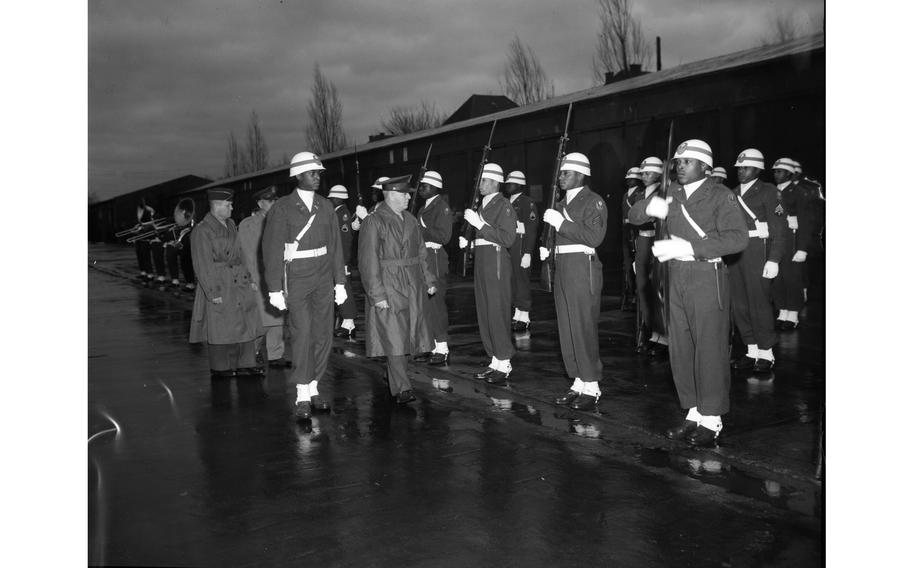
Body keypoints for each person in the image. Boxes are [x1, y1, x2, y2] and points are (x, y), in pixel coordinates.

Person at [629, 139, 748, 446]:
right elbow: (634, 217)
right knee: (681, 347)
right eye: (678, 162)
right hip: (675, 276)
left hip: (706, 275)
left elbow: (737, 239)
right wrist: (650, 206)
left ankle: (712, 418)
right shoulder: (671, 193)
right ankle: (694, 412)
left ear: (705, 167)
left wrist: (691, 248)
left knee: (708, 347)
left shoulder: (720, 195)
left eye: (687, 161)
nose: (680, 166)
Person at [261, 151, 347, 420]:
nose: (317, 177)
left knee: (323, 334)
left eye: (319, 172)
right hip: (297, 275)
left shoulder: (325, 206)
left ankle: (314, 387)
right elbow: (272, 248)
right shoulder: (282, 208)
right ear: (298, 175)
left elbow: (335, 246)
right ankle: (301, 392)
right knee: (303, 332)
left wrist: (340, 282)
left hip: (323, 274)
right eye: (312, 173)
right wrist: (274, 287)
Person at [358, 175, 438, 404]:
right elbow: (368, 261)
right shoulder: (374, 222)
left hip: (412, 283)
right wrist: (377, 294)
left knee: (408, 336)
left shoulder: (411, 220)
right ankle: (402, 388)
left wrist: (429, 279)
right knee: (394, 338)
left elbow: (421, 252)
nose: (409, 197)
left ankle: (396, 377)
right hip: (389, 284)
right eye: (405, 194)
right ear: (392, 194)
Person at [540, 152, 607, 412]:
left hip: (582, 266)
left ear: (581, 174)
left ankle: (592, 385)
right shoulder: (559, 202)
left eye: (565, 173)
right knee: (567, 326)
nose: (561, 177)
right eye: (561, 173)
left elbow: (594, 236)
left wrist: (562, 224)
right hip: (563, 266)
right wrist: (547, 248)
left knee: (583, 325)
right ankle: (578, 380)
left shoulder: (594, 202)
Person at [189, 188, 264, 379]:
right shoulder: (202, 231)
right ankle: (219, 367)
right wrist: (212, 291)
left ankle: (247, 364)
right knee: (219, 324)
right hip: (219, 281)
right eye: (229, 204)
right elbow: (202, 264)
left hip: (239, 280)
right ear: (217, 206)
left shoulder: (231, 225)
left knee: (247, 319)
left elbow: (241, 255)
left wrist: (250, 278)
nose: (232, 207)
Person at [727, 149, 786, 373]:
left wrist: (774, 259)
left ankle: (766, 353)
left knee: (759, 302)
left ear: (759, 169)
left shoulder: (770, 192)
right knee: (739, 303)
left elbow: (779, 228)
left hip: (758, 251)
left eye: (747, 167)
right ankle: (751, 349)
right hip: (736, 252)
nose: (742, 171)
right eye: (739, 168)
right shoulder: (731, 193)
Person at [459, 163, 517, 384]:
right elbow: (483, 235)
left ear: (495, 182)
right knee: (484, 311)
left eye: (484, 181)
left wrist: (478, 225)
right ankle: (494, 358)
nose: (480, 185)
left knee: (497, 310)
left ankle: (505, 361)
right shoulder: (482, 205)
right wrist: (470, 241)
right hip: (483, 261)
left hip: (496, 262)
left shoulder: (504, 206)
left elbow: (507, 238)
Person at [238, 186, 289, 368]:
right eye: (270, 201)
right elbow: (246, 254)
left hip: (276, 277)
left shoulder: (280, 221)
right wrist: (250, 278)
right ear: (260, 204)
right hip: (258, 278)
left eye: (276, 200)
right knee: (259, 320)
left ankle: (276, 355)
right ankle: (254, 352)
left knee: (276, 317)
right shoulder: (248, 225)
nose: (274, 203)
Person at [411, 171, 454, 365]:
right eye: (420, 186)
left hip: (434, 259)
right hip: (423, 258)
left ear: (436, 187)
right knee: (426, 306)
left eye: (425, 186)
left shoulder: (441, 207)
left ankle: (442, 347)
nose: (421, 189)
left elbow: (444, 236)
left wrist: (419, 230)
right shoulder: (423, 208)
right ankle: (431, 345)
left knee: (436, 305)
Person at [770, 157, 817, 330]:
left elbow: (805, 222)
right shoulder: (773, 192)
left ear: (789, 173)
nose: (776, 174)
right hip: (778, 239)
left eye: (780, 171)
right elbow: (776, 213)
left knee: (792, 278)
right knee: (779, 279)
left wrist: (802, 248)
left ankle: (793, 314)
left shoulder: (798, 192)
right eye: (775, 171)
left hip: (793, 240)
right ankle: (782, 311)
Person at [631, 156, 668, 357]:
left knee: (659, 290)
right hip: (643, 241)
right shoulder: (639, 194)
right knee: (644, 288)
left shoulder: (666, 191)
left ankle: (663, 337)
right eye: (642, 173)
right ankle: (650, 332)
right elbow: (634, 219)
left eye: (648, 173)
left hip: (659, 240)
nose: (644, 176)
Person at [504, 170, 539, 332]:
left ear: (519, 185)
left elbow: (531, 229)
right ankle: (517, 312)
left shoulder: (527, 202)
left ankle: (525, 315)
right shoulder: (505, 202)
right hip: (509, 245)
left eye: (511, 183)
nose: (507, 186)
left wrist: (528, 252)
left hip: (520, 244)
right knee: (512, 280)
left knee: (521, 280)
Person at [328, 184, 359, 340]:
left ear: (339, 198)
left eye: (332, 198)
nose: (331, 200)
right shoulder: (337, 213)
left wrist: (344, 261)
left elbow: (345, 241)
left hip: (341, 260)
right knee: (340, 290)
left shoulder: (342, 214)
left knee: (344, 290)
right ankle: (347, 324)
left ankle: (349, 323)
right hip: (337, 259)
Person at [620, 167, 643, 312]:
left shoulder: (639, 193)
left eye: (632, 178)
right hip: (626, 233)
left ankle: (636, 293)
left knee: (636, 263)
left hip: (635, 232)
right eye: (627, 178)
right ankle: (629, 291)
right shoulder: (625, 195)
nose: (629, 180)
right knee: (627, 264)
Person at [164, 198, 196, 290]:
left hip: (188, 243)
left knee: (186, 260)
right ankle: (175, 280)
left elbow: (192, 227)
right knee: (170, 251)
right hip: (180, 242)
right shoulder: (179, 217)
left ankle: (190, 283)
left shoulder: (191, 216)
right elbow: (176, 229)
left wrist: (188, 228)